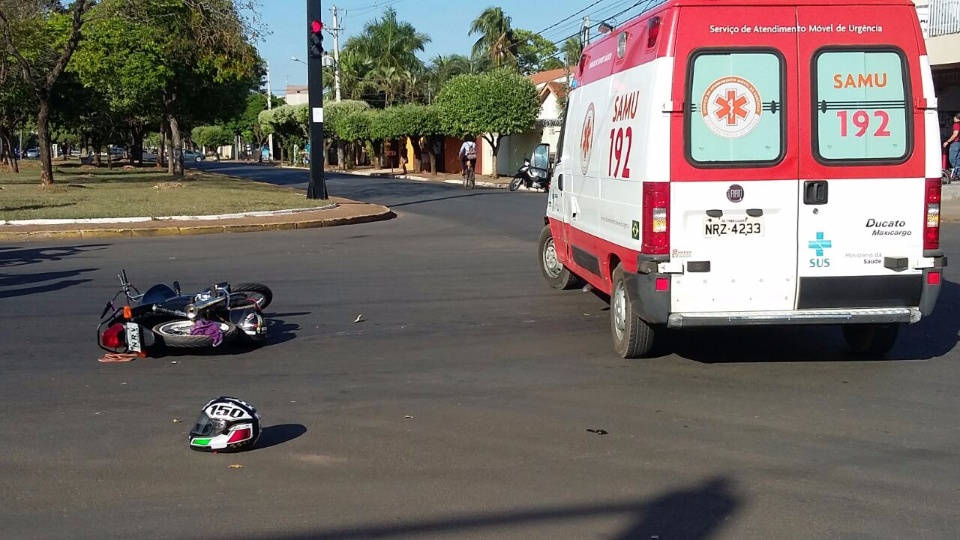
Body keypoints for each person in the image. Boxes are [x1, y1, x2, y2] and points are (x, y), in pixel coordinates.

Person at [943, 113, 960, 179]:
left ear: (956, 118)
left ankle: (956, 172)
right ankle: (958, 173)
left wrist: (947, 141)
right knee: (958, 159)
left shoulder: (956, 125)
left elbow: (955, 134)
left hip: (955, 143)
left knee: (952, 158)